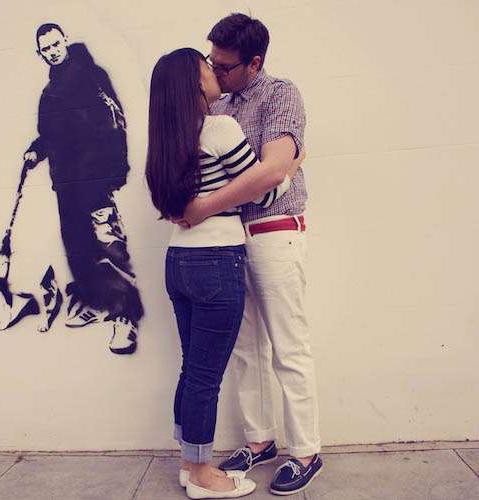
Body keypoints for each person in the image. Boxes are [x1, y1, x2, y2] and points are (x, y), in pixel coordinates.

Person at [177, 13, 322, 495]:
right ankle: (260, 442)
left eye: (225, 67)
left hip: (275, 231)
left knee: (288, 345)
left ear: (254, 63)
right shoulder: (216, 106)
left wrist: (204, 207)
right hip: (228, 243)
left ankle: (305, 451)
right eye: (212, 64)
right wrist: (260, 176)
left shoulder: (280, 94)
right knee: (244, 348)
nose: (215, 73)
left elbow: (273, 171)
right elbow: (252, 173)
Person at [146, 48, 297, 499]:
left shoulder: (165, 141)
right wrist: (289, 167)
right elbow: (263, 193)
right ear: (195, 84)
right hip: (216, 261)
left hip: (179, 261)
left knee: (192, 369)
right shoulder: (219, 127)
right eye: (205, 66)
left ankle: (187, 462)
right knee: (205, 377)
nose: (214, 71)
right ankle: (202, 474)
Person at [24, 23, 144, 355]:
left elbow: (115, 120)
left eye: (55, 44)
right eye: (46, 49)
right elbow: (51, 135)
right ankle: (95, 302)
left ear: (65, 40)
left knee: (108, 244)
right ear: (39, 53)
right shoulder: (49, 93)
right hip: (65, 185)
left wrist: (114, 170)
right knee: (78, 249)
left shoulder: (91, 76)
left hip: (93, 180)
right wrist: (36, 150)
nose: (52, 51)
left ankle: (125, 316)